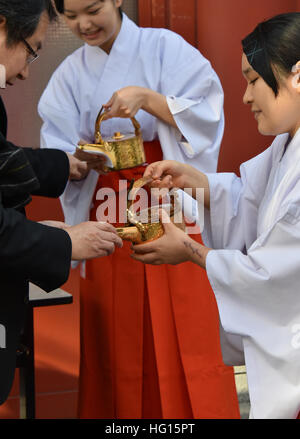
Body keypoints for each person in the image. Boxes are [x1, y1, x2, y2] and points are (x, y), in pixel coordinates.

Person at [38, 0, 240, 418]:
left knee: (189, 330)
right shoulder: (70, 73)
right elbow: (56, 147)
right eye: (70, 16)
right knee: (115, 345)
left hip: (167, 201)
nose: (83, 24)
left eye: (92, 9)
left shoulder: (166, 47)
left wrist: (148, 99)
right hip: (108, 208)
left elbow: (207, 115)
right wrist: (79, 162)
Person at [131, 12, 300, 419]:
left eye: (253, 80)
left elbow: (270, 273)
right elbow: (250, 201)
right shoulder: (285, 147)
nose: (245, 97)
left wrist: (188, 249)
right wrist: (195, 181)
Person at [0, 0, 122, 405]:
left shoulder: (168, 48)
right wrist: (63, 242)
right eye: (32, 50)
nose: (24, 71)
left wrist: (158, 104)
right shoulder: (68, 74)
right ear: (2, 28)